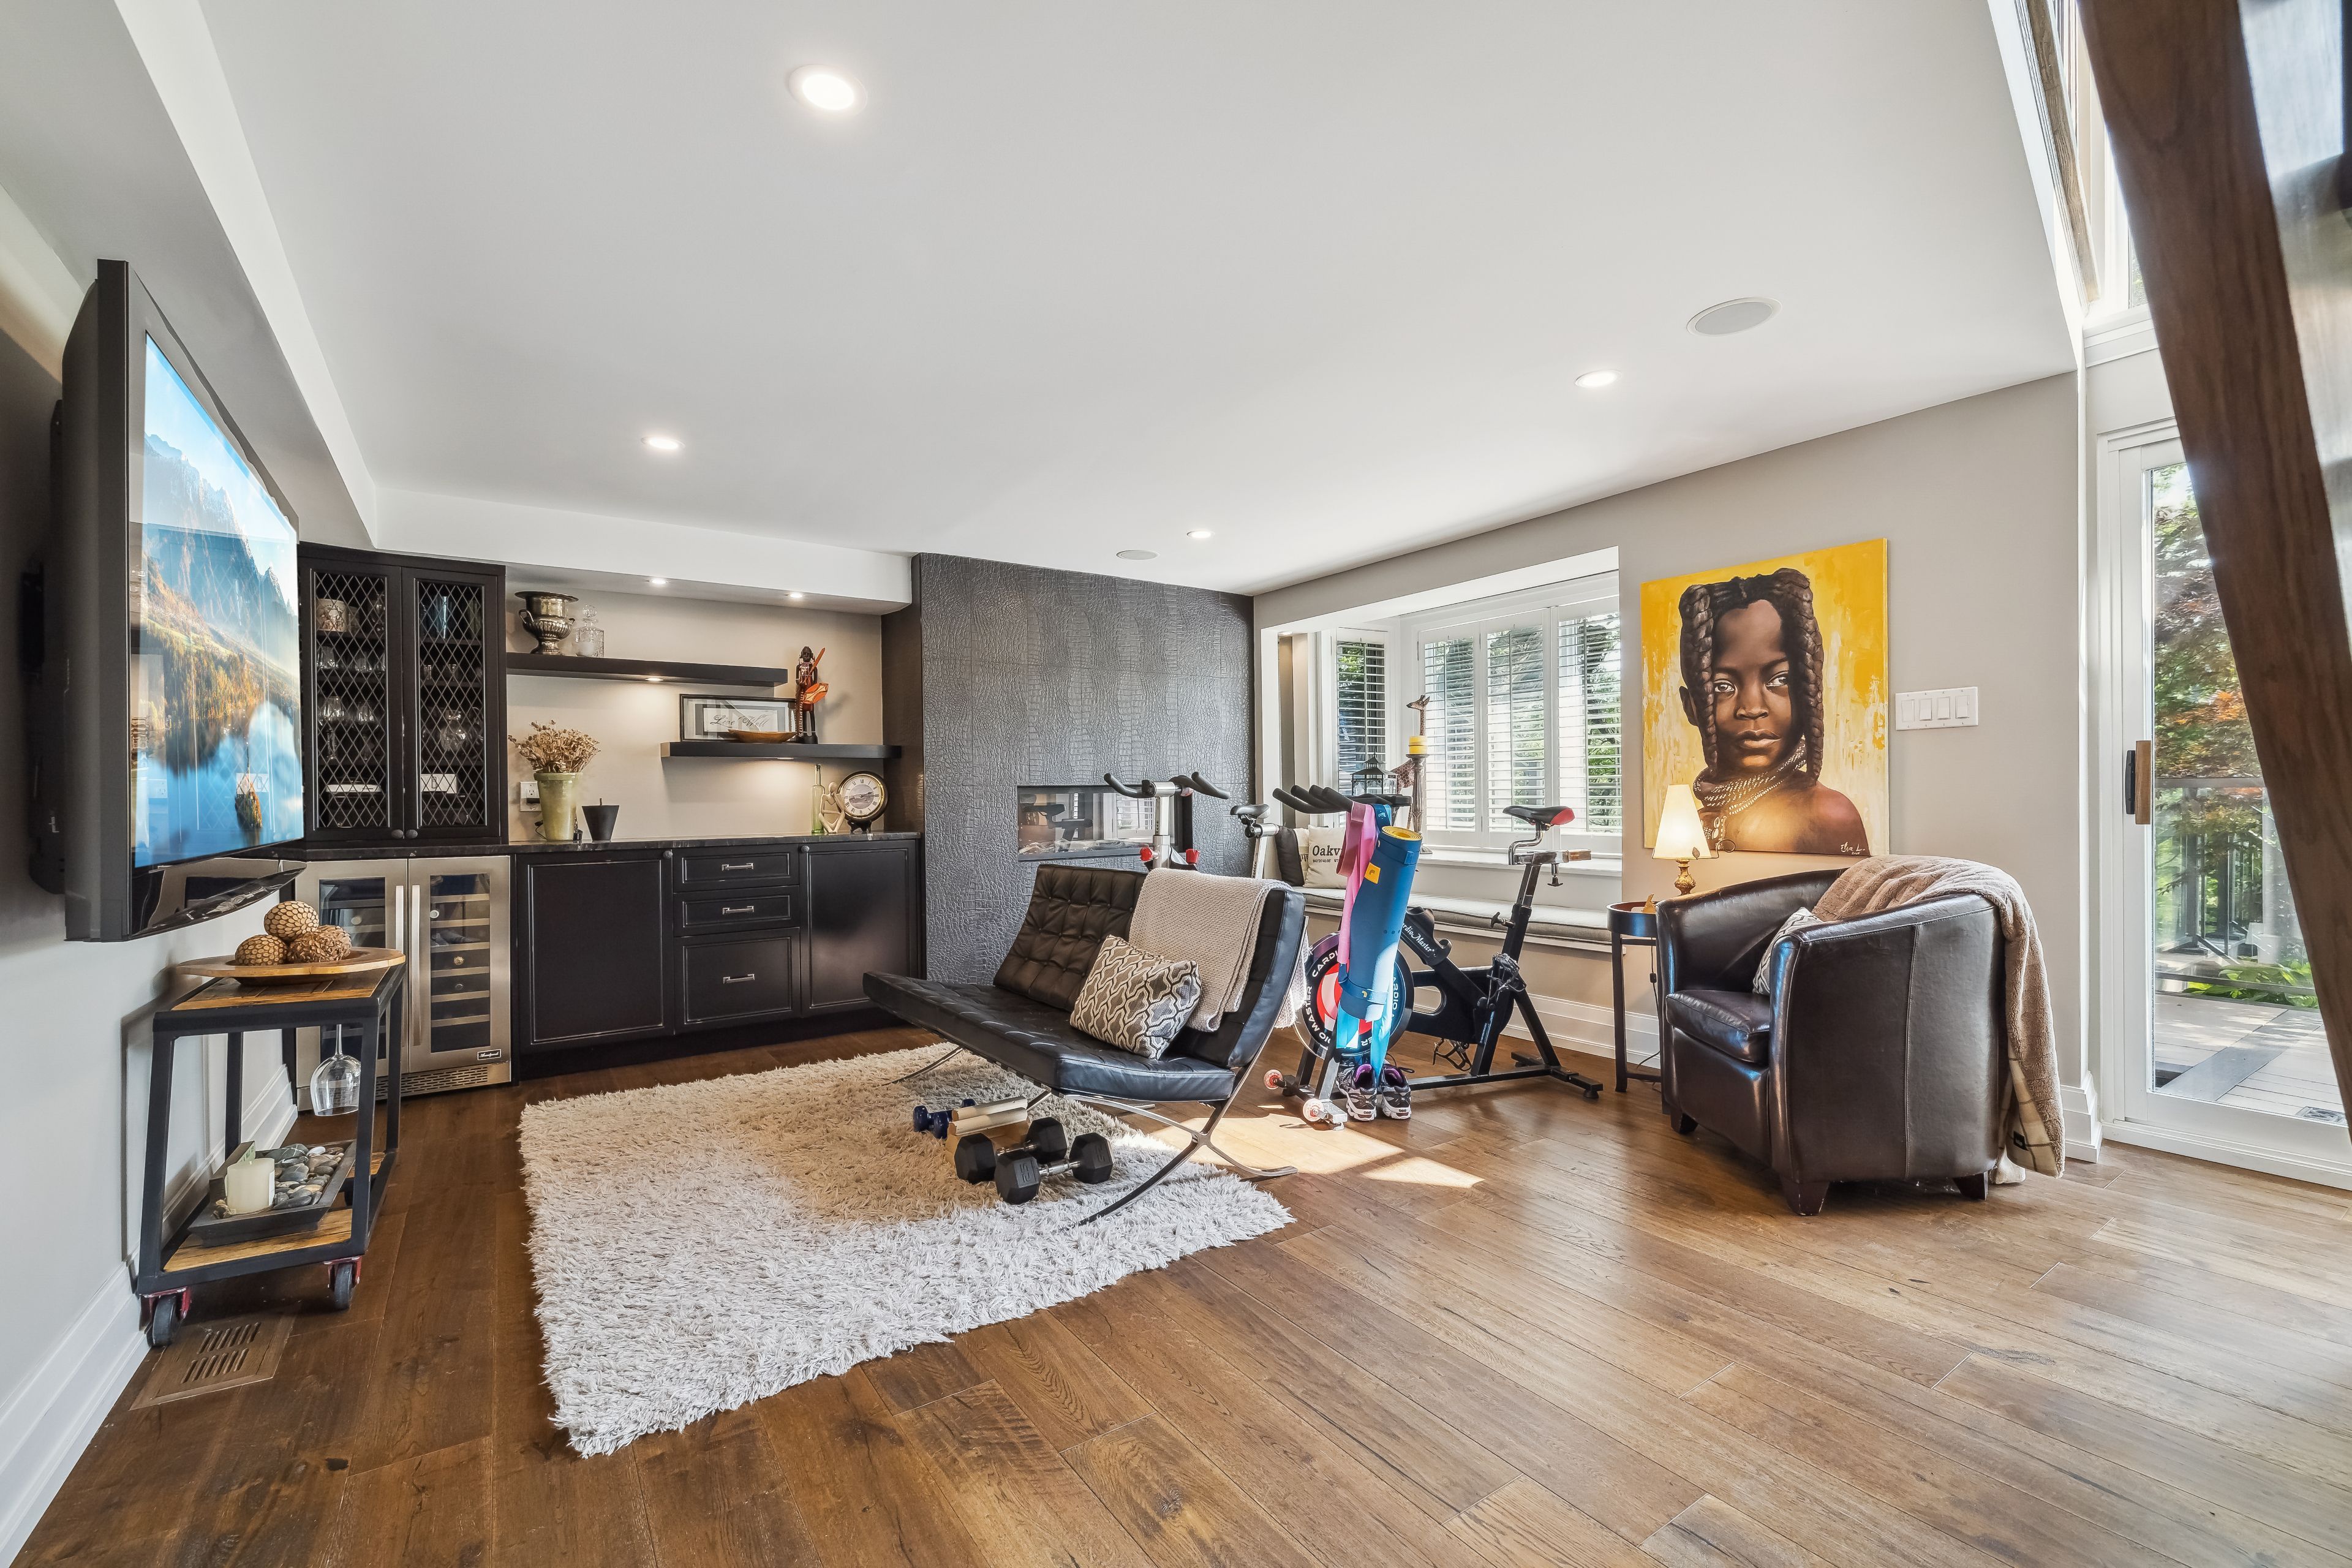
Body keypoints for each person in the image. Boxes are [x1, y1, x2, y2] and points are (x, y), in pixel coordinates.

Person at [1674, 569, 1869, 856]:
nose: (1752, 709)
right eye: (1723, 686)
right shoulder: (1705, 817)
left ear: (1810, 692)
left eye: (1780, 680)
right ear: (1690, 706)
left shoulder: (1828, 814)